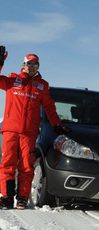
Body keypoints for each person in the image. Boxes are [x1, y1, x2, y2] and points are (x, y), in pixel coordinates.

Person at [0, 46, 69, 209]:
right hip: (10, 130)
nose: (31, 67)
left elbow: (49, 107)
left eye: (35, 65)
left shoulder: (42, 86)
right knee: (7, 163)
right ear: (23, 65)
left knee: (26, 165)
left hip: (29, 133)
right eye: (28, 64)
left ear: (38, 67)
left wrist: (57, 125)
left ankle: (22, 198)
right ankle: (6, 198)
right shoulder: (12, 80)